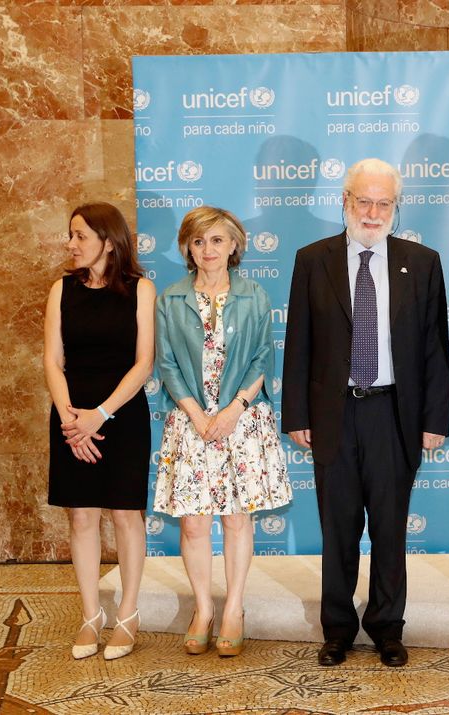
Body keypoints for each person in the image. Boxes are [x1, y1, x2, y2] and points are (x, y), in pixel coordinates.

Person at [282, 158, 449, 668]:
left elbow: (433, 350)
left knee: (389, 528)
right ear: (346, 202)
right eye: (364, 201)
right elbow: (299, 345)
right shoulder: (313, 259)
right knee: (337, 529)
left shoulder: (421, 263)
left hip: (393, 415)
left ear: (395, 208)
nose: (373, 212)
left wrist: (434, 421)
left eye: (384, 203)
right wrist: (296, 414)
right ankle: (337, 629)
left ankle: (386, 626)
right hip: (333, 415)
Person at [154, 206, 291, 658]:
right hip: (190, 420)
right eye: (198, 242)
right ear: (187, 249)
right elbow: (168, 364)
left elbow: (262, 360)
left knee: (237, 518)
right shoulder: (170, 299)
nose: (207, 250)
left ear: (234, 245)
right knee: (194, 525)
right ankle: (203, 610)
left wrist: (234, 409)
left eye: (216, 240)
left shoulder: (254, 296)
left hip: (242, 420)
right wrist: (196, 414)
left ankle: (233, 608)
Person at [44, 202, 154, 661]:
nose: (71, 245)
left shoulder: (140, 290)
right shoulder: (61, 289)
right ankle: (91, 615)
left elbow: (143, 363)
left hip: (122, 414)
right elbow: (53, 360)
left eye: (80, 236)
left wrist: (100, 415)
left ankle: (128, 613)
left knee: (126, 515)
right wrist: (73, 420)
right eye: (71, 235)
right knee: (82, 516)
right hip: (71, 414)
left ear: (108, 241)